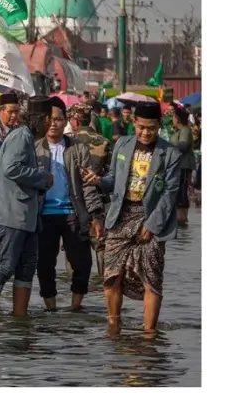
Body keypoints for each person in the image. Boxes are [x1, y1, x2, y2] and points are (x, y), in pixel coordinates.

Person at [83, 102, 181, 335]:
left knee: (151, 278)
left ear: (159, 126)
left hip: (150, 218)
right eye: (141, 127)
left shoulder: (171, 153)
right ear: (134, 123)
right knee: (111, 276)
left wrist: (152, 224)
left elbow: (170, 194)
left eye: (152, 128)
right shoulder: (122, 145)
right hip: (119, 216)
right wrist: (98, 180)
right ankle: (113, 327)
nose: (146, 133)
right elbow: (113, 179)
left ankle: (149, 334)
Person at [0, 95, 54, 316]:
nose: (50, 125)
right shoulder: (21, 136)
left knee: (27, 268)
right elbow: (11, 168)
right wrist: (41, 177)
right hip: (9, 215)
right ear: (44, 119)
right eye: (50, 120)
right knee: (3, 266)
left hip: (27, 218)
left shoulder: (28, 138)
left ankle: (20, 321)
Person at [34, 96, 95, 312]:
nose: (53, 124)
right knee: (44, 265)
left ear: (66, 121)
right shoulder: (34, 148)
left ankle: (75, 307)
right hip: (44, 215)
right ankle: (50, 308)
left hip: (73, 213)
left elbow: (88, 185)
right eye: (49, 119)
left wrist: (94, 215)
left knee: (82, 264)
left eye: (58, 119)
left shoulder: (78, 148)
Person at [67, 103, 111, 275]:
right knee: (101, 245)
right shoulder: (103, 141)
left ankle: (73, 283)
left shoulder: (67, 141)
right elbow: (110, 175)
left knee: (72, 245)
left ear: (75, 121)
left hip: (72, 202)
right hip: (98, 202)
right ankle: (103, 281)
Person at [170, 106, 195, 227]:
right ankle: (178, 216)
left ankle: (182, 217)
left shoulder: (185, 130)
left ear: (178, 119)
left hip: (184, 164)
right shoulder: (178, 131)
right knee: (178, 189)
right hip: (178, 164)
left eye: (173, 117)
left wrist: (168, 146)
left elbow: (183, 146)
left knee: (182, 190)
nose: (172, 119)